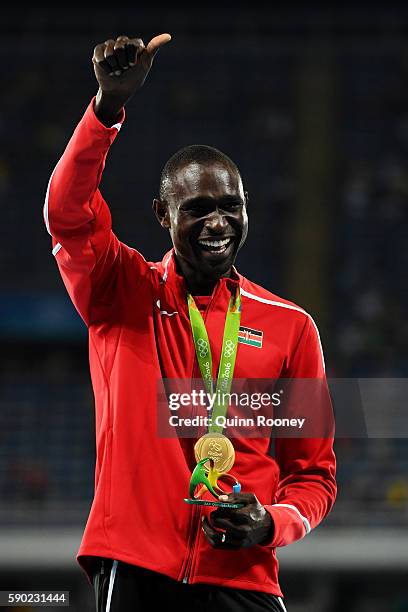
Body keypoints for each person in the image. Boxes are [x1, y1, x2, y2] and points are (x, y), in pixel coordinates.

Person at [43, 32, 336, 612]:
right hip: (137, 569)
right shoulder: (120, 291)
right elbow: (66, 213)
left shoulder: (291, 326)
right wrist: (106, 109)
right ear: (162, 215)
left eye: (233, 207)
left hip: (244, 577)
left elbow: (315, 476)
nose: (219, 222)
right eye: (198, 209)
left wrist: (272, 522)